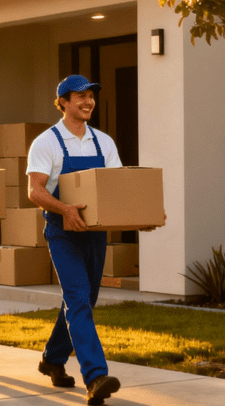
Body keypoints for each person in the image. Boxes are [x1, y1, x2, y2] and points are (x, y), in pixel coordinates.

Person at [26, 74, 132, 405]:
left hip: (95, 234)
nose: (88, 102)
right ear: (63, 102)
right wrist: (64, 209)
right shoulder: (46, 142)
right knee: (78, 299)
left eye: (91, 96)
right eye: (80, 96)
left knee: (83, 300)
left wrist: (139, 218)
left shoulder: (104, 142)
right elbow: (35, 191)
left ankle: (52, 359)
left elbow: (115, 186)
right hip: (63, 233)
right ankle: (96, 376)